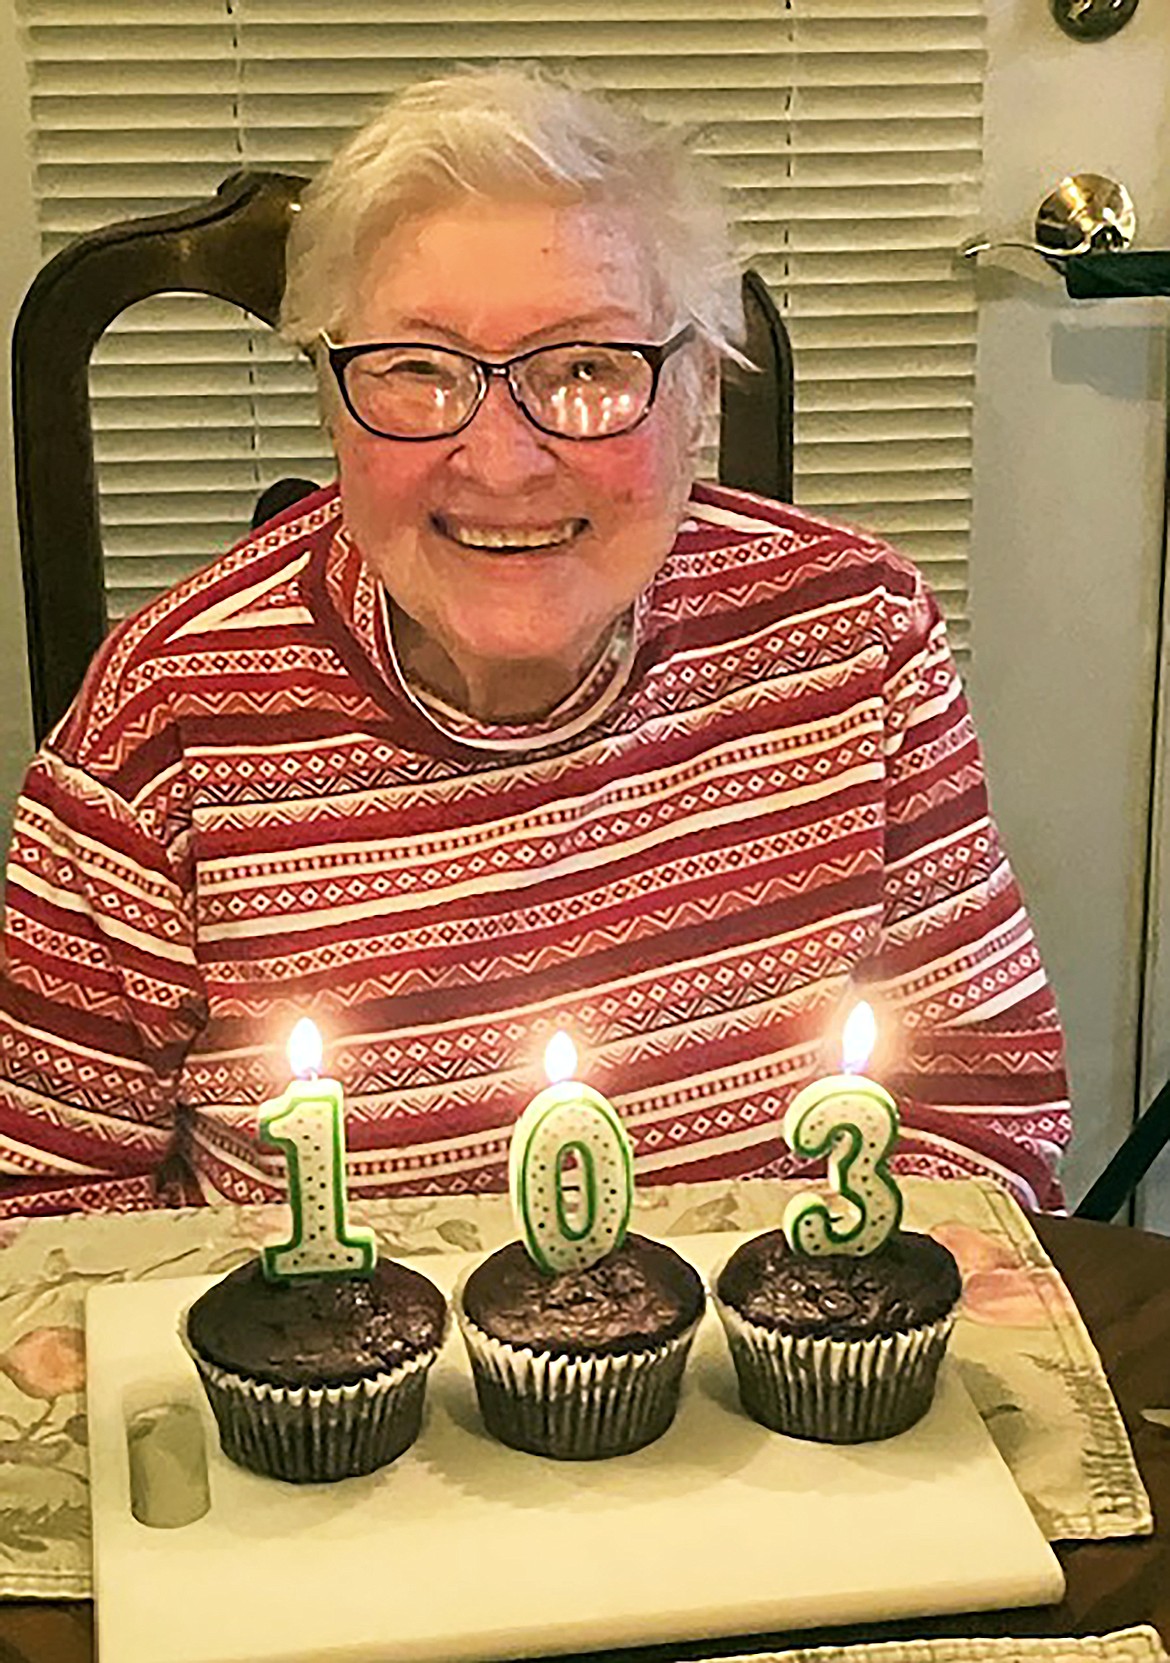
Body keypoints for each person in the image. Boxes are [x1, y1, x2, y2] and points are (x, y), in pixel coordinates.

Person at [0, 66, 1070, 1221]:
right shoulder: (163, 723)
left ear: (698, 389)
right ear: (328, 397)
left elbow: (980, 1112)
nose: (502, 462)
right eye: (417, 371)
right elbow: (49, 1223)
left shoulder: (855, 640)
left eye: (587, 369)